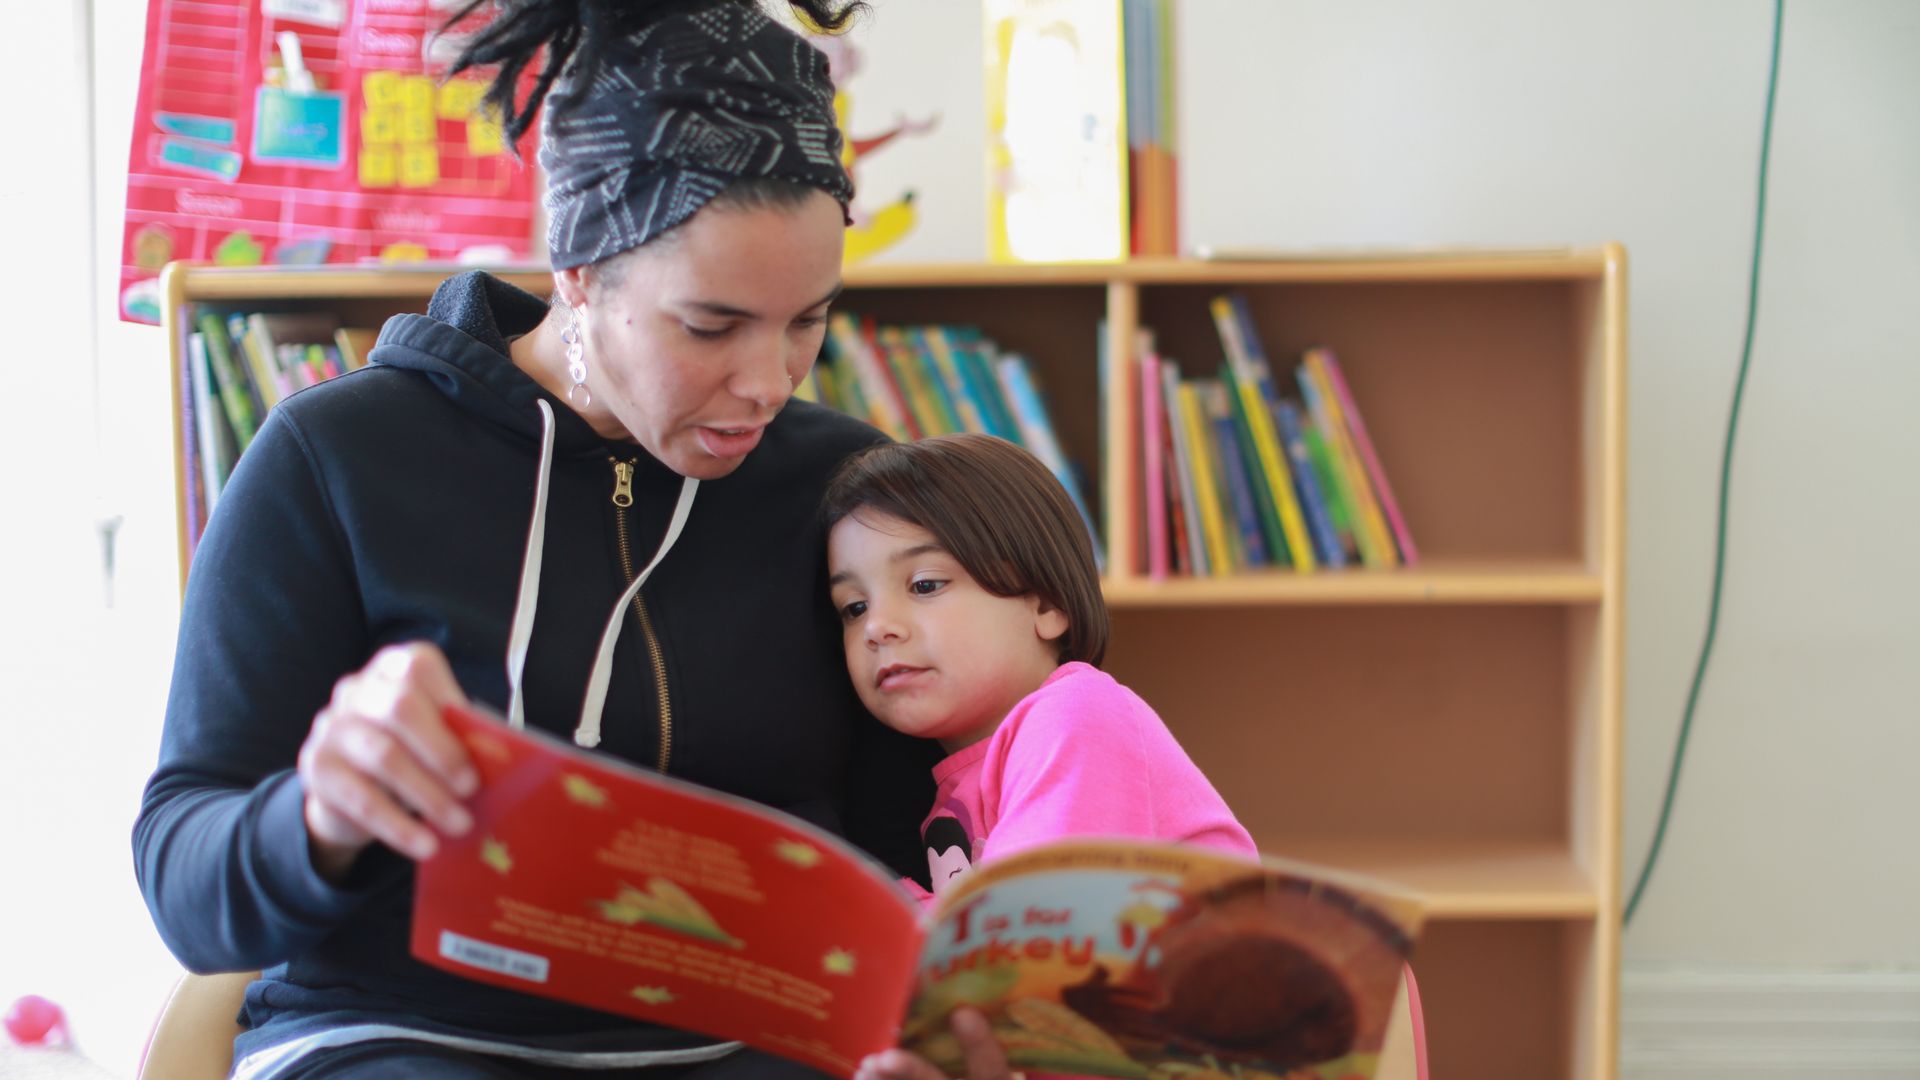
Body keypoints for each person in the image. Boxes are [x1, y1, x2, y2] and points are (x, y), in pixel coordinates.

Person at [133, 1, 951, 1076]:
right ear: (578, 274)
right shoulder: (337, 458)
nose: (769, 383)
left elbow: (904, 843)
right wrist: (317, 814)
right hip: (407, 1037)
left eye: (808, 320)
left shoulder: (842, 486)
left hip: (750, 1044)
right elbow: (188, 880)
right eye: (710, 326)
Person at [818, 434, 1260, 1080]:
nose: (878, 626)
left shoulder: (1078, 715)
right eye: (852, 607)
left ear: (1047, 604)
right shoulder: (953, 786)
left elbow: (1021, 942)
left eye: (925, 584)